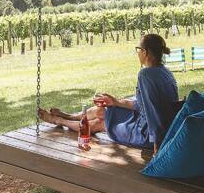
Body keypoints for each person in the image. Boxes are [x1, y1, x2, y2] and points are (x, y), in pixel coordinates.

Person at [38, 33, 179, 154]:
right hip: (153, 123)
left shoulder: (146, 74)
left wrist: (156, 143)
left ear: (145, 52)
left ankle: (59, 120)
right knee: (102, 109)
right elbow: (145, 103)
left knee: (101, 123)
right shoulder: (165, 72)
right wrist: (116, 102)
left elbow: (152, 110)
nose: (137, 53)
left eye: (138, 49)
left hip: (146, 133)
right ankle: (69, 116)